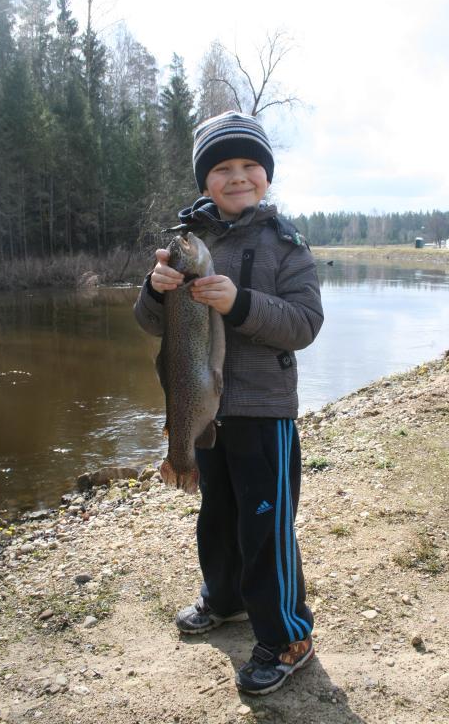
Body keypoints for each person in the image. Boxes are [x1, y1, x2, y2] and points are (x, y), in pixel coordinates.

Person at [134, 111, 324, 695]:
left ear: (266, 175)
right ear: (204, 181)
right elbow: (150, 324)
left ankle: (287, 636)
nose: (237, 176)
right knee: (216, 516)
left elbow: (305, 323)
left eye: (249, 165)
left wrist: (239, 304)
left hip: (264, 414)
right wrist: (155, 290)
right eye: (222, 168)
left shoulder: (287, 245)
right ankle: (224, 599)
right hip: (203, 412)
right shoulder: (188, 245)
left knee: (265, 527)